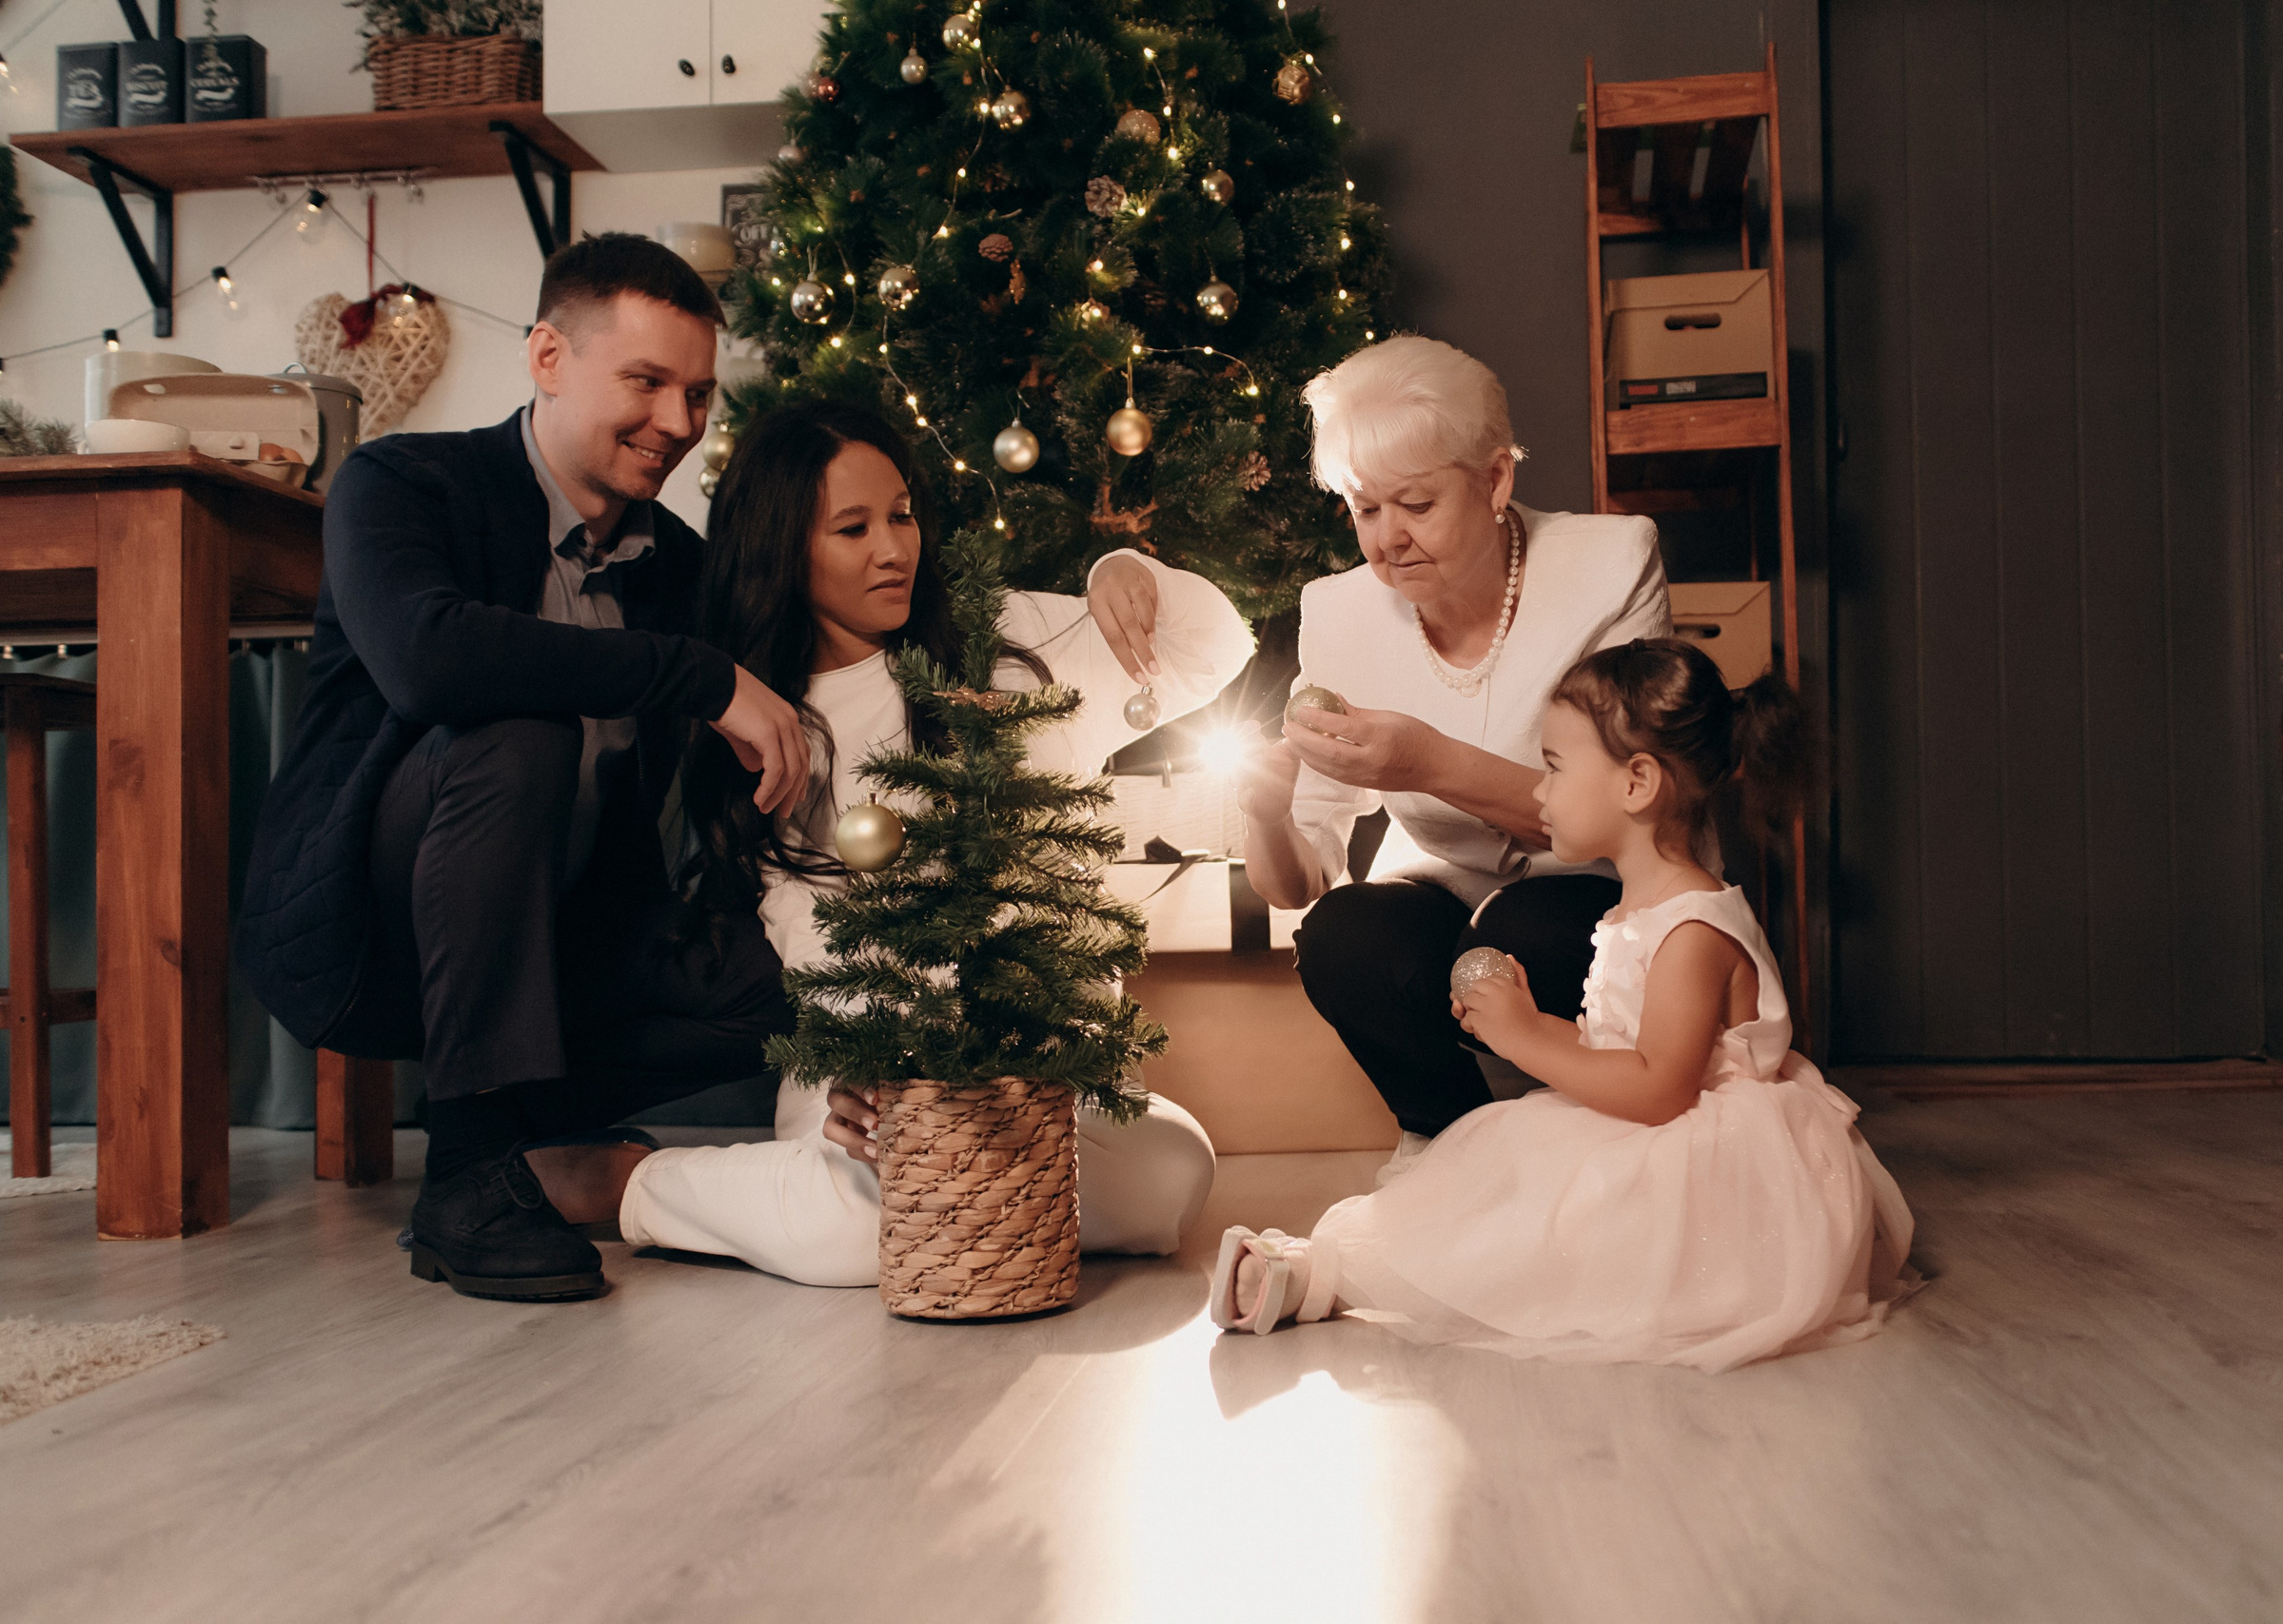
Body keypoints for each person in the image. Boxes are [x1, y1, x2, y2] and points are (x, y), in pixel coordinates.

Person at [546, 401, 1257, 1284]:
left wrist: (1126, 570)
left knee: (1172, 1171)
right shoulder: (774, 725)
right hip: (873, 1084)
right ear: (783, 550)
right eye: (853, 528)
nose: (894, 549)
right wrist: (871, 1075)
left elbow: (1219, 649)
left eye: (903, 514)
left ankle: (942, 1203)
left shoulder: (1010, 642)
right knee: (861, 1226)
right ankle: (639, 1181)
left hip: (1041, 1082)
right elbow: (810, 932)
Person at [236, 234, 813, 1303]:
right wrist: (691, 673)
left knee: (787, 983)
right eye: (645, 383)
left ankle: (537, 1133)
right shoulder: (400, 481)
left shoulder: (675, 568)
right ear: (547, 358)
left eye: (697, 394)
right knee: (520, 725)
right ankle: (466, 1170)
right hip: (371, 931)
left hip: (568, 940)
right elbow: (428, 661)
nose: (678, 425)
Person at [1209, 640, 1916, 1371]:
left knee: (1538, 1238)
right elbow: (1619, 1043)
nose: (1537, 794)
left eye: (1553, 767)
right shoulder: (1638, 908)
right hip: (1640, 1118)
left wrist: (1525, 1040)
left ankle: (1325, 1276)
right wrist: (1539, 1021)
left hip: (1701, 1151)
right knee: (1495, 1195)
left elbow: (1659, 1088)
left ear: (1637, 782)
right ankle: (1331, 1265)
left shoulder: (1693, 929)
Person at [1237, 335, 1672, 1181]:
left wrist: (1431, 765)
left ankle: (1584, 1141)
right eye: (1365, 509)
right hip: (1445, 896)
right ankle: (1459, 1149)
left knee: (1528, 927)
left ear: (1496, 479)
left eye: (1416, 504)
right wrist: (1263, 813)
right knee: (1345, 934)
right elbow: (1302, 883)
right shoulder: (1337, 613)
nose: (1388, 539)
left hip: (1602, 893)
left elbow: (1633, 814)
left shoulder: (1609, 565)